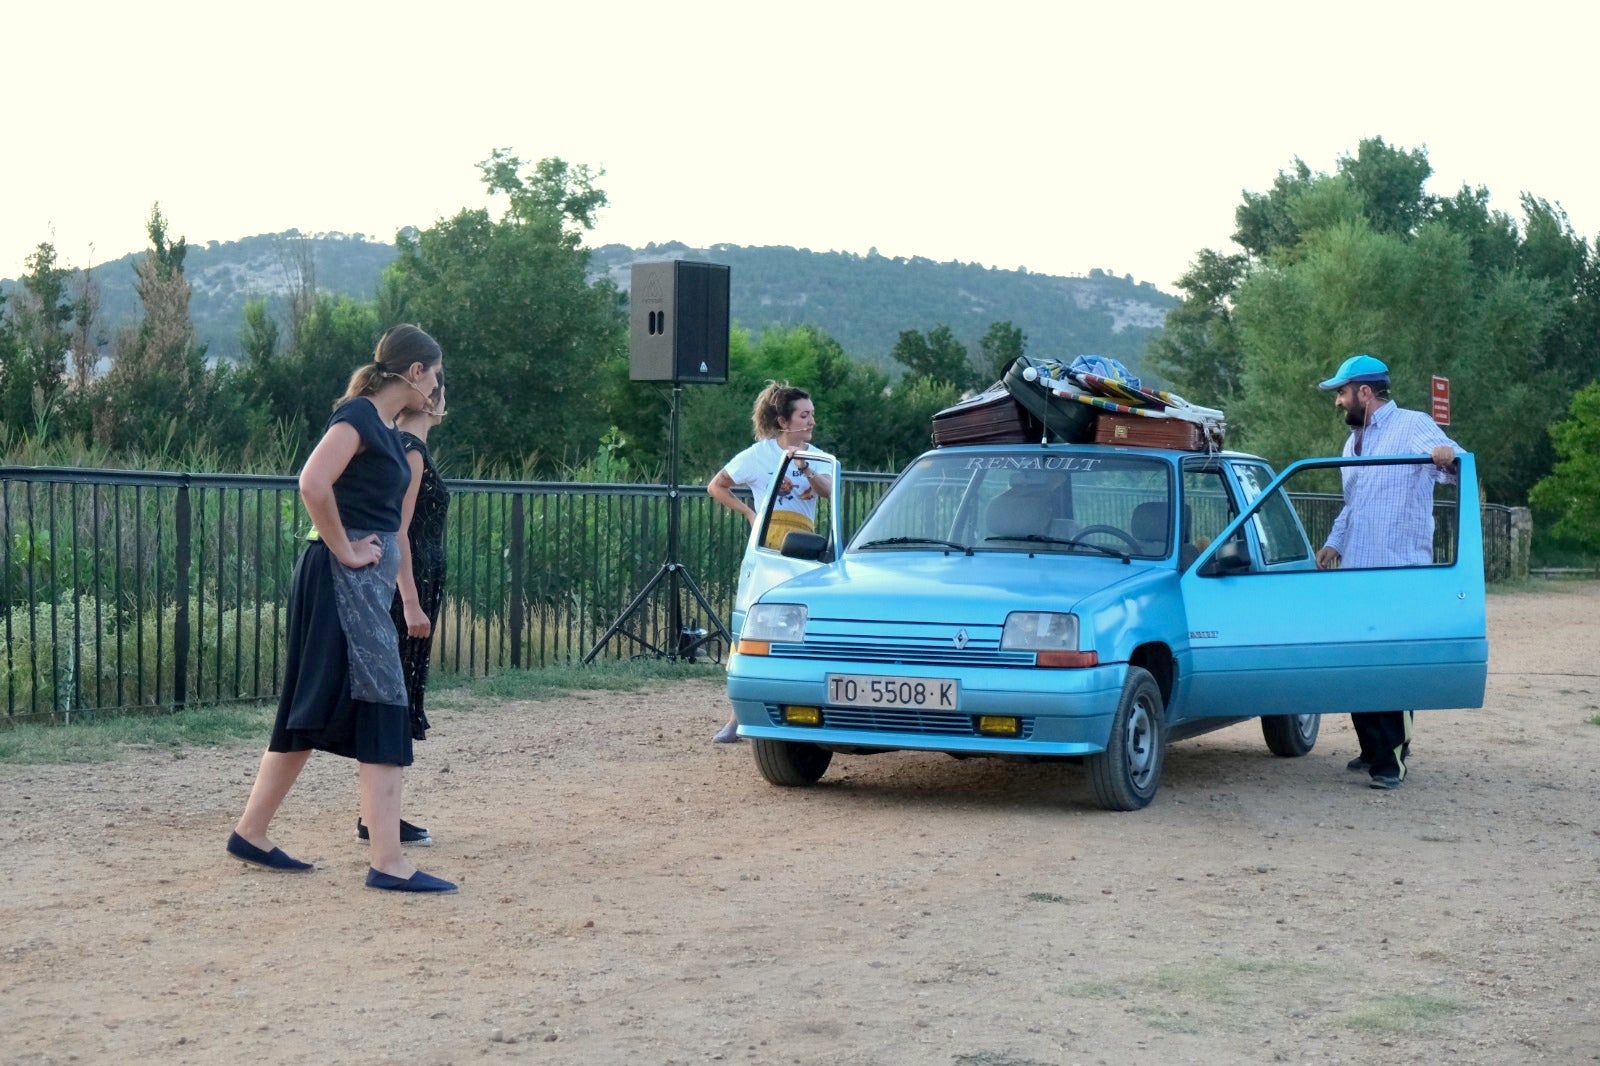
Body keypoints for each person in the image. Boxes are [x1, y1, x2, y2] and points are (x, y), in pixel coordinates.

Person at [226, 324, 456, 893]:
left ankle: (250, 832)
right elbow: (311, 482)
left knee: (313, 705)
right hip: (338, 580)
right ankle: (388, 861)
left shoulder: (380, 425)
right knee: (385, 699)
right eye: (437, 373)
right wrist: (346, 549)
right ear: (417, 372)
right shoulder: (357, 417)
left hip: (351, 584)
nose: (438, 386)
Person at [1313, 353, 1462, 791]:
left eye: (1341, 392)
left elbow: (1458, 468)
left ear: (1364, 392)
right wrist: (1333, 543)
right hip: (1358, 570)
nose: (1338, 402)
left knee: (1393, 664)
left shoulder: (1412, 425)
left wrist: (1445, 458)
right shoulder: (1351, 445)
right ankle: (1371, 748)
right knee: (1359, 661)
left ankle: (1391, 761)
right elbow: (1353, 506)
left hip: (1400, 570)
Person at [706, 382, 835, 743]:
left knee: (799, 628)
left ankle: (799, 711)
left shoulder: (818, 456)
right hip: (768, 546)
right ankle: (737, 717)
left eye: (812, 414)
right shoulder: (759, 455)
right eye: (804, 415)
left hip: (804, 545)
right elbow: (717, 485)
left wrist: (806, 468)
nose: (811, 421)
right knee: (751, 628)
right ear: (783, 421)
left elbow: (829, 490)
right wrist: (751, 513)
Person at [353, 380, 450, 848]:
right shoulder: (410, 450)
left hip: (417, 580)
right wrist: (410, 598)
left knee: (399, 694)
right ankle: (376, 820)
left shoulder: (410, 447)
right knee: (395, 696)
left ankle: (377, 815)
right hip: (408, 583)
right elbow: (401, 530)